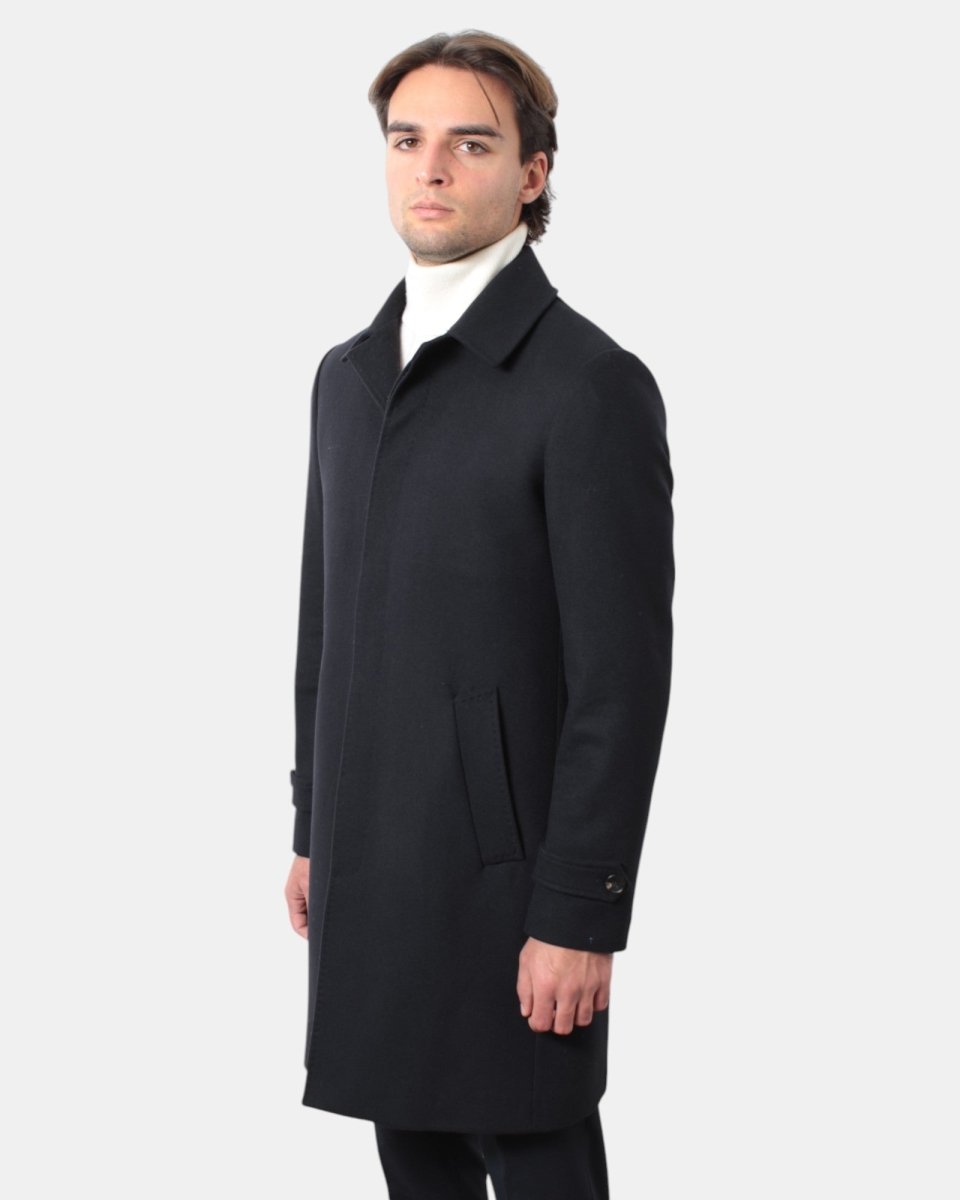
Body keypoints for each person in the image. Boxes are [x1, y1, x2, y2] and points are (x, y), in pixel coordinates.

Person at [283, 29, 674, 1200]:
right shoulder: (348, 375)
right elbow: (325, 625)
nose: (432, 168)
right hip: (373, 872)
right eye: (408, 141)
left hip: (510, 893)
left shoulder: (588, 385)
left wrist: (581, 912)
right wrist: (313, 825)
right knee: (413, 1164)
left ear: (532, 173)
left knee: (541, 1158)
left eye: (471, 143)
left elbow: (621, 682)